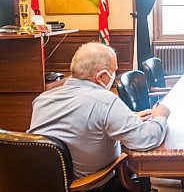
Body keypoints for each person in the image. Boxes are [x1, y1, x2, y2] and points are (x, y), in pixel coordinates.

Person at [28, 42, 170, 191]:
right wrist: (161, 116)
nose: (114, 76)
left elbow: (80, 124)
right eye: (114, 71)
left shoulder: (42, 99)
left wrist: (129, 118)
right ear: (101, 76)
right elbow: (145, 139)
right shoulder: (105, 100)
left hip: (44, 184)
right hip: (93, 185)